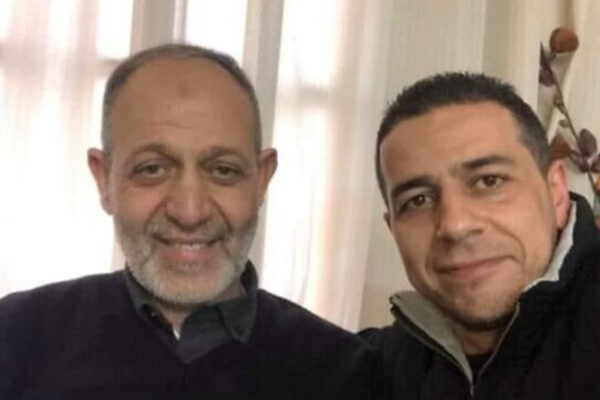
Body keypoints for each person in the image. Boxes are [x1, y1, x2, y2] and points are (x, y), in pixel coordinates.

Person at [0, 44, 380, 399]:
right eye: (152, 169)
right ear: (104, 179)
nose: (189, 212)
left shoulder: (345, 372)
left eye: (223, 170)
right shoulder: (17, 338)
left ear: (262, 180)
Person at [361, 72, 600, 399]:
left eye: (489, 181)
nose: (455, 225)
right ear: (393, 229)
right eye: (417, 201)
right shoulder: (380, 366)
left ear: (556, 191)